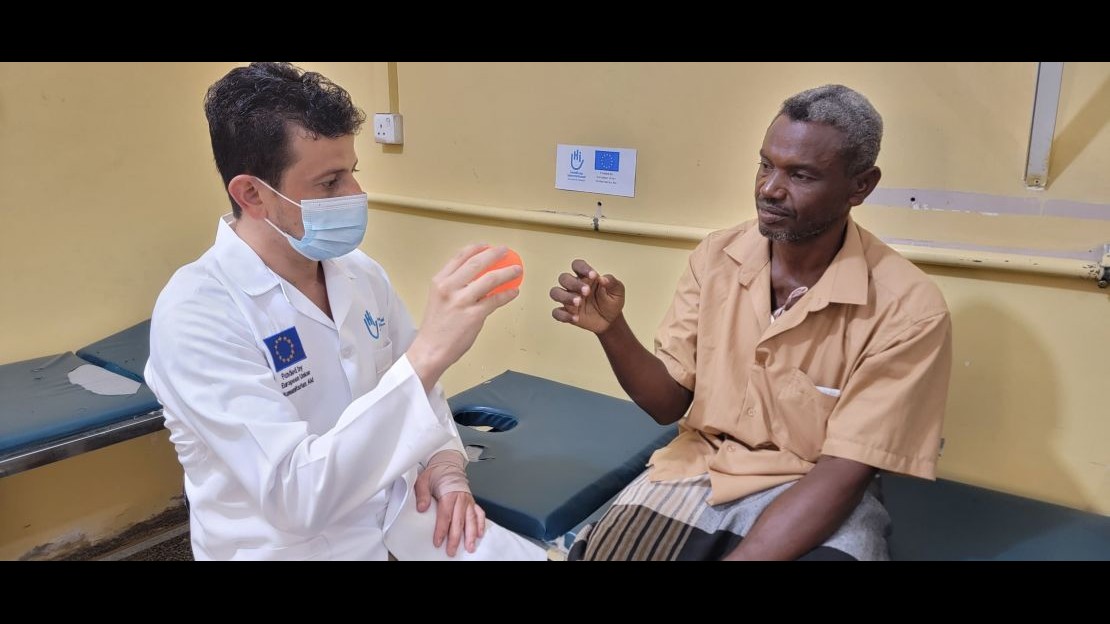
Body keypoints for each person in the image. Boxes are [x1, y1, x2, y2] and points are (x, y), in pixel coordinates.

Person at [145, 62, 541, 561]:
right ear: (252, 194)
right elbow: (296, 497)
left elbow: (417, 389)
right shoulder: (197, 314)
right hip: (291, 547)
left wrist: (445, 465)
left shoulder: (358, 272)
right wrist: (430, 353)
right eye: (330, 183)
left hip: (401, 515)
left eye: (353, 172)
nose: (355, 196)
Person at [549, 84, 952, 561]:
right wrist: (612, 330)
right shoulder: (716, 257)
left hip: (814, 487)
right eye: (766, 164)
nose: (769, 188)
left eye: (800, 174)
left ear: (860, 185)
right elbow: (668, 403)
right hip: (700, 465)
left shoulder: (909, 308)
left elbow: (846, 468)